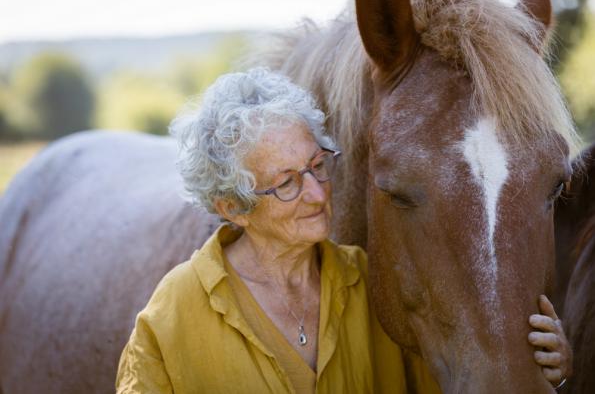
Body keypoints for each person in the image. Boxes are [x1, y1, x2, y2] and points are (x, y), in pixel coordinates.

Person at [116, 68, 571, 393]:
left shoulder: (375, 288)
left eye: (317, 165)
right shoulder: (171, 316)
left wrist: (544, 370)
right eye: (288, 183)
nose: (317, 195)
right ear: (233, 206)